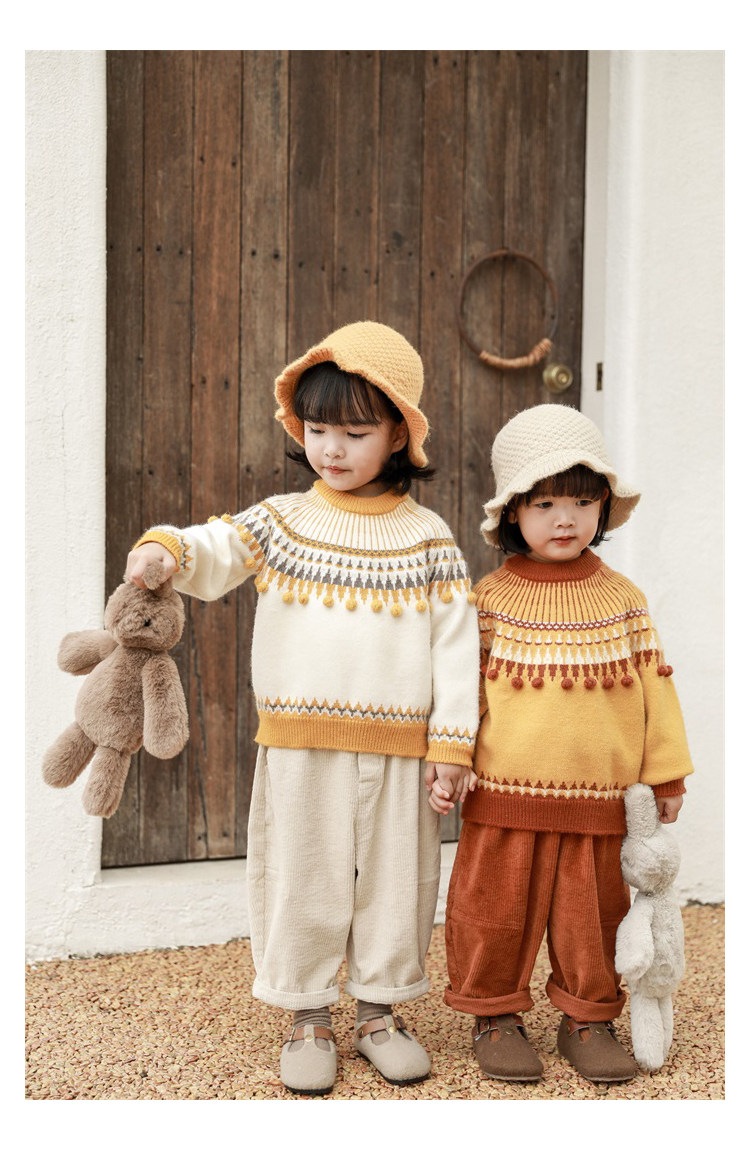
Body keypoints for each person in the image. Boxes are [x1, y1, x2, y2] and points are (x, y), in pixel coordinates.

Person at [125, 321, 480, 1095]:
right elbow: (215, 547)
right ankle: (308, 1014)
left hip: (403, 750)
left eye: (355, 432)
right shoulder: (282, 521)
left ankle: (380, 1012)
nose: (332, 448)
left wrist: (453, 747)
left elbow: (457, 648)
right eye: (318, 429)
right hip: (299, 744)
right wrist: (165, 550)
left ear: (398, 435)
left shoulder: (429, 538)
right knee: (302, 878)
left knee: (396, 884)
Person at [439, 404, 693, 1085]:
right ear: (512, 512)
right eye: (545, 502)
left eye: (583, 502)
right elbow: (462, 695)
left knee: (595, 919)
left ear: (604, 507)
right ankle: (494, 1014)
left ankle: (588, 1016)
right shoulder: (488, 601)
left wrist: (665, 777)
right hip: (502, 800)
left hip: (599, 803)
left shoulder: (624, 600)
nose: (566, 519)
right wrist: (451, 759)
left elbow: (656, 691)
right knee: (492, 914)